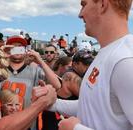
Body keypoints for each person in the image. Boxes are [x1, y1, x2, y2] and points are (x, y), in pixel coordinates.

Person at [34, 0, 133, 130]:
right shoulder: (108, 53)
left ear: (102, 4)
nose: (80, 14)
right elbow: (93, 105)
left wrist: (75, 128)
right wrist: (51, 103)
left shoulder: (125, 61)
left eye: (84, 4)